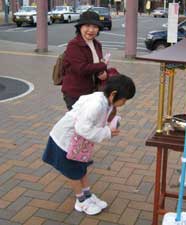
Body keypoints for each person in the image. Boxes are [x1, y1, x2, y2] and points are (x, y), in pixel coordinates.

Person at [42, 75, 136, 215]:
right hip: (65, 140)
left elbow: (92, 124)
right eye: (124, 99)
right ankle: (81, 201)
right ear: (113, 94)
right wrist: (107, 132)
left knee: (82, 168)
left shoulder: (105, 101)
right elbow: (83, 128)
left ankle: (87, 195)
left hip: (78, 142)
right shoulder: (96, 104)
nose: (124, 103)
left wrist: (108, 126)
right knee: (73, 172)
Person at [62, 11, 109, 110]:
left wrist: (103, 74)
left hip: (92, 92)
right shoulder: (74, 45)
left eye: (95, 27)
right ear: (80, 27)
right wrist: (102, 65)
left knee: (89, 123)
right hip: (75, 94)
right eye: (87, 26)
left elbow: (95, 66)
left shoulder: (97, 44)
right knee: (80, 123)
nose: (91, 30)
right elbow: (81, 69)